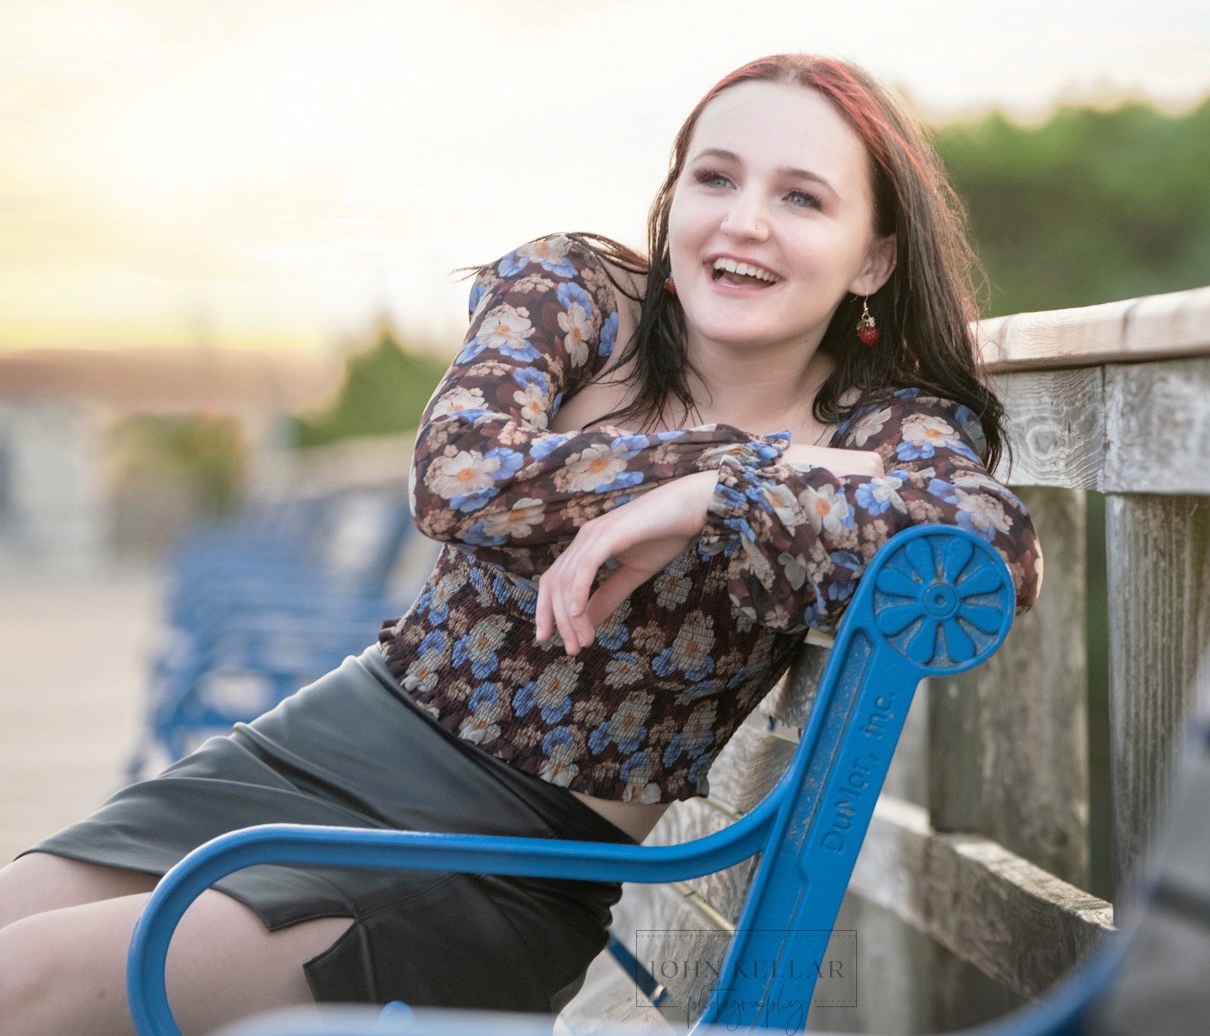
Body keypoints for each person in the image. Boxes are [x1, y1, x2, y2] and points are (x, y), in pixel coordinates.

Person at [0, 54, 1042, 1035]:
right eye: (714, 178)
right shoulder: (580, 295)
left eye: (801, 197)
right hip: (323, 744)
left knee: (30, 985)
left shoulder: (882, 427)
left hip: (486, 864)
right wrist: (715, 470)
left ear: (874, 255)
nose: (744, 221)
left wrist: (713, 498)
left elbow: (990, 545)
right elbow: (457, 478)